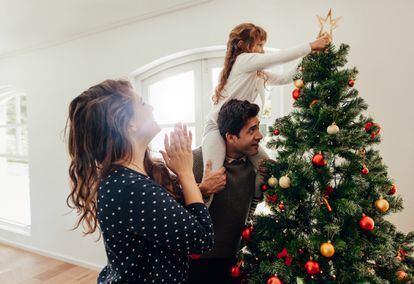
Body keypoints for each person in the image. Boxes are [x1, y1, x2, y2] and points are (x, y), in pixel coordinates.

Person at [65, 79, 214, 284]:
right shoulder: (130, 188)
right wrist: (185, 172)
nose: (151, 107)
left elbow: (165, 219)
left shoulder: (134, 176)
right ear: (129, 124)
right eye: (142, 103)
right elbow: (202, 239)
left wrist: (199, 187)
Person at [202, 22, 331, 206]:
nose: (262, 50)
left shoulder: (258, 74)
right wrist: (310, 45)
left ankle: (252, 210)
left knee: (267, 168)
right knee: (213, 178)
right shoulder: (243, 61)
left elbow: (287, 78)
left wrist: (309, 55)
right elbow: (278, 58)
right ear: (244, 46)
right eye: (259, 45)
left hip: (240, 130)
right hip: (217, 128)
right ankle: (198, 221)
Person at [189, 99, 264, 284]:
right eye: (251, 130)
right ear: (230, 137)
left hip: (232, 261)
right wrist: (203, 190)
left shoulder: (255, 169)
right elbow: (174, 210)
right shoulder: (197, 161)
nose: (260, 136)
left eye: (258, 127)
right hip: (194, 263)